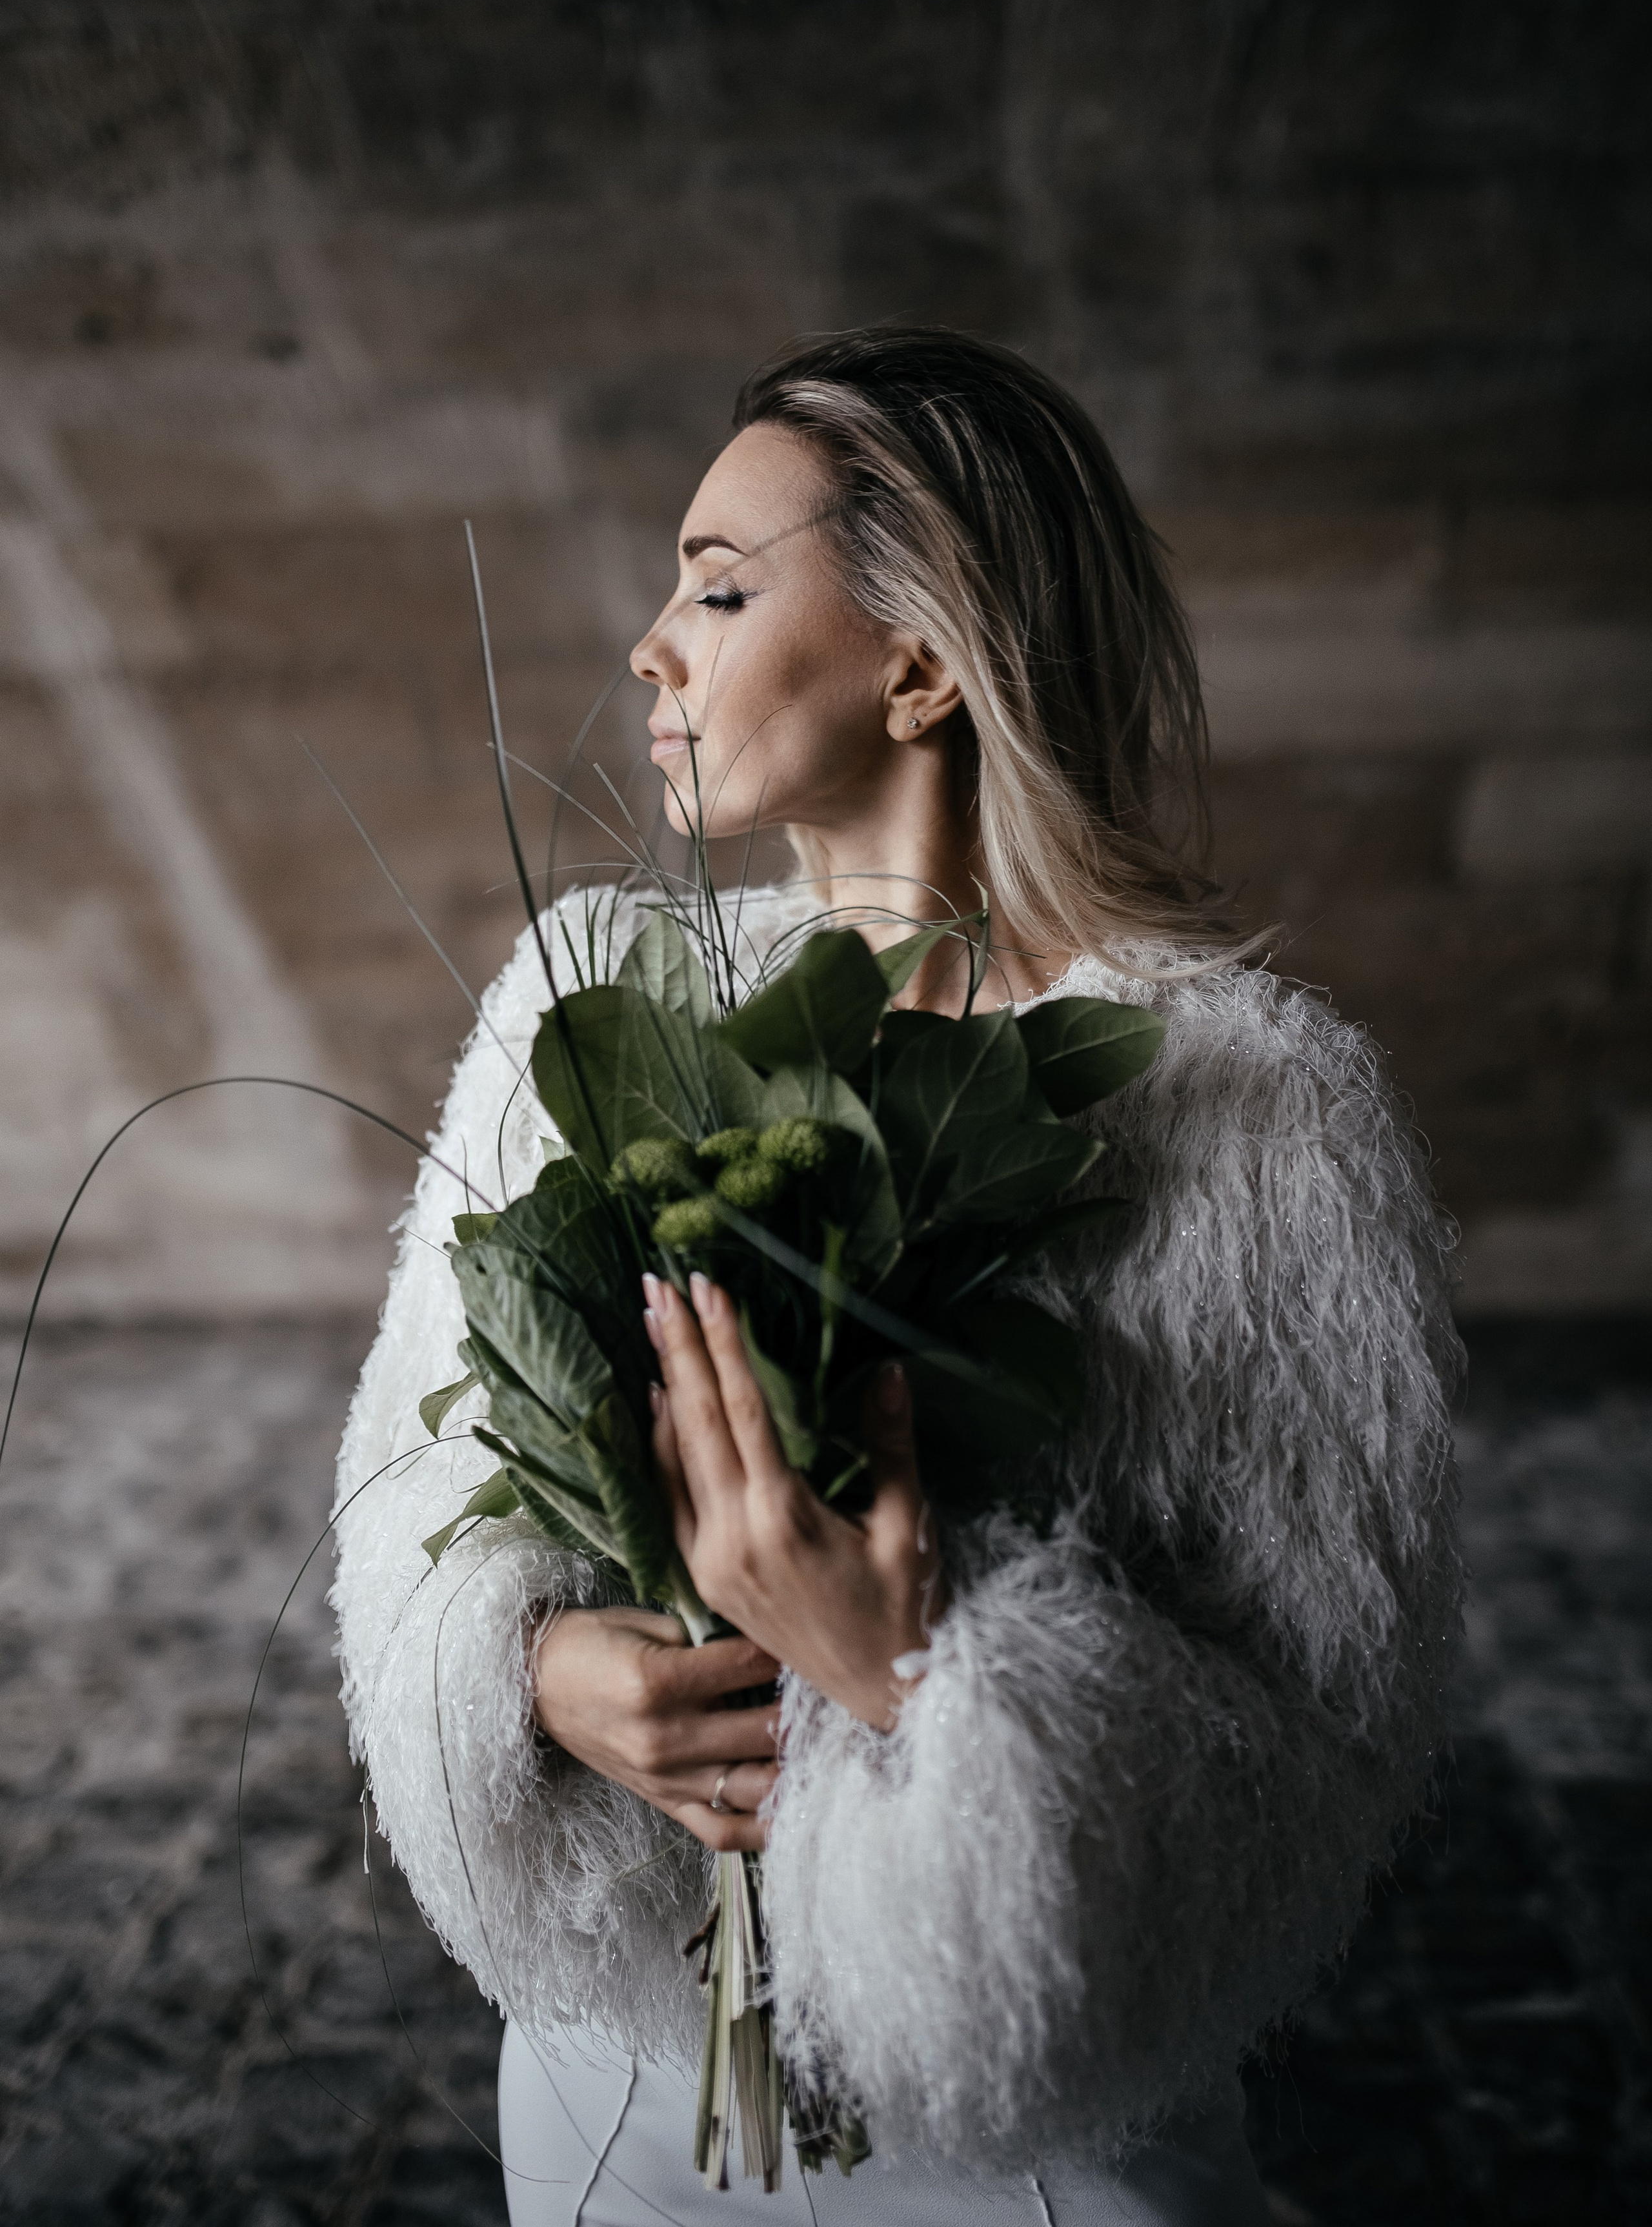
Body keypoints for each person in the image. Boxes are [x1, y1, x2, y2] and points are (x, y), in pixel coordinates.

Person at [332, 327, 1462, 2225]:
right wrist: (528, 1671)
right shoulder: (587, 995)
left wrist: (914, 1666)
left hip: (1032, 2138)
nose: (650, 647)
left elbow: (1324, 1727)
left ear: (925, 661)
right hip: (623, 2090)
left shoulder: (1249, 1110)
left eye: (719, 587)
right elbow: (404, 1488)